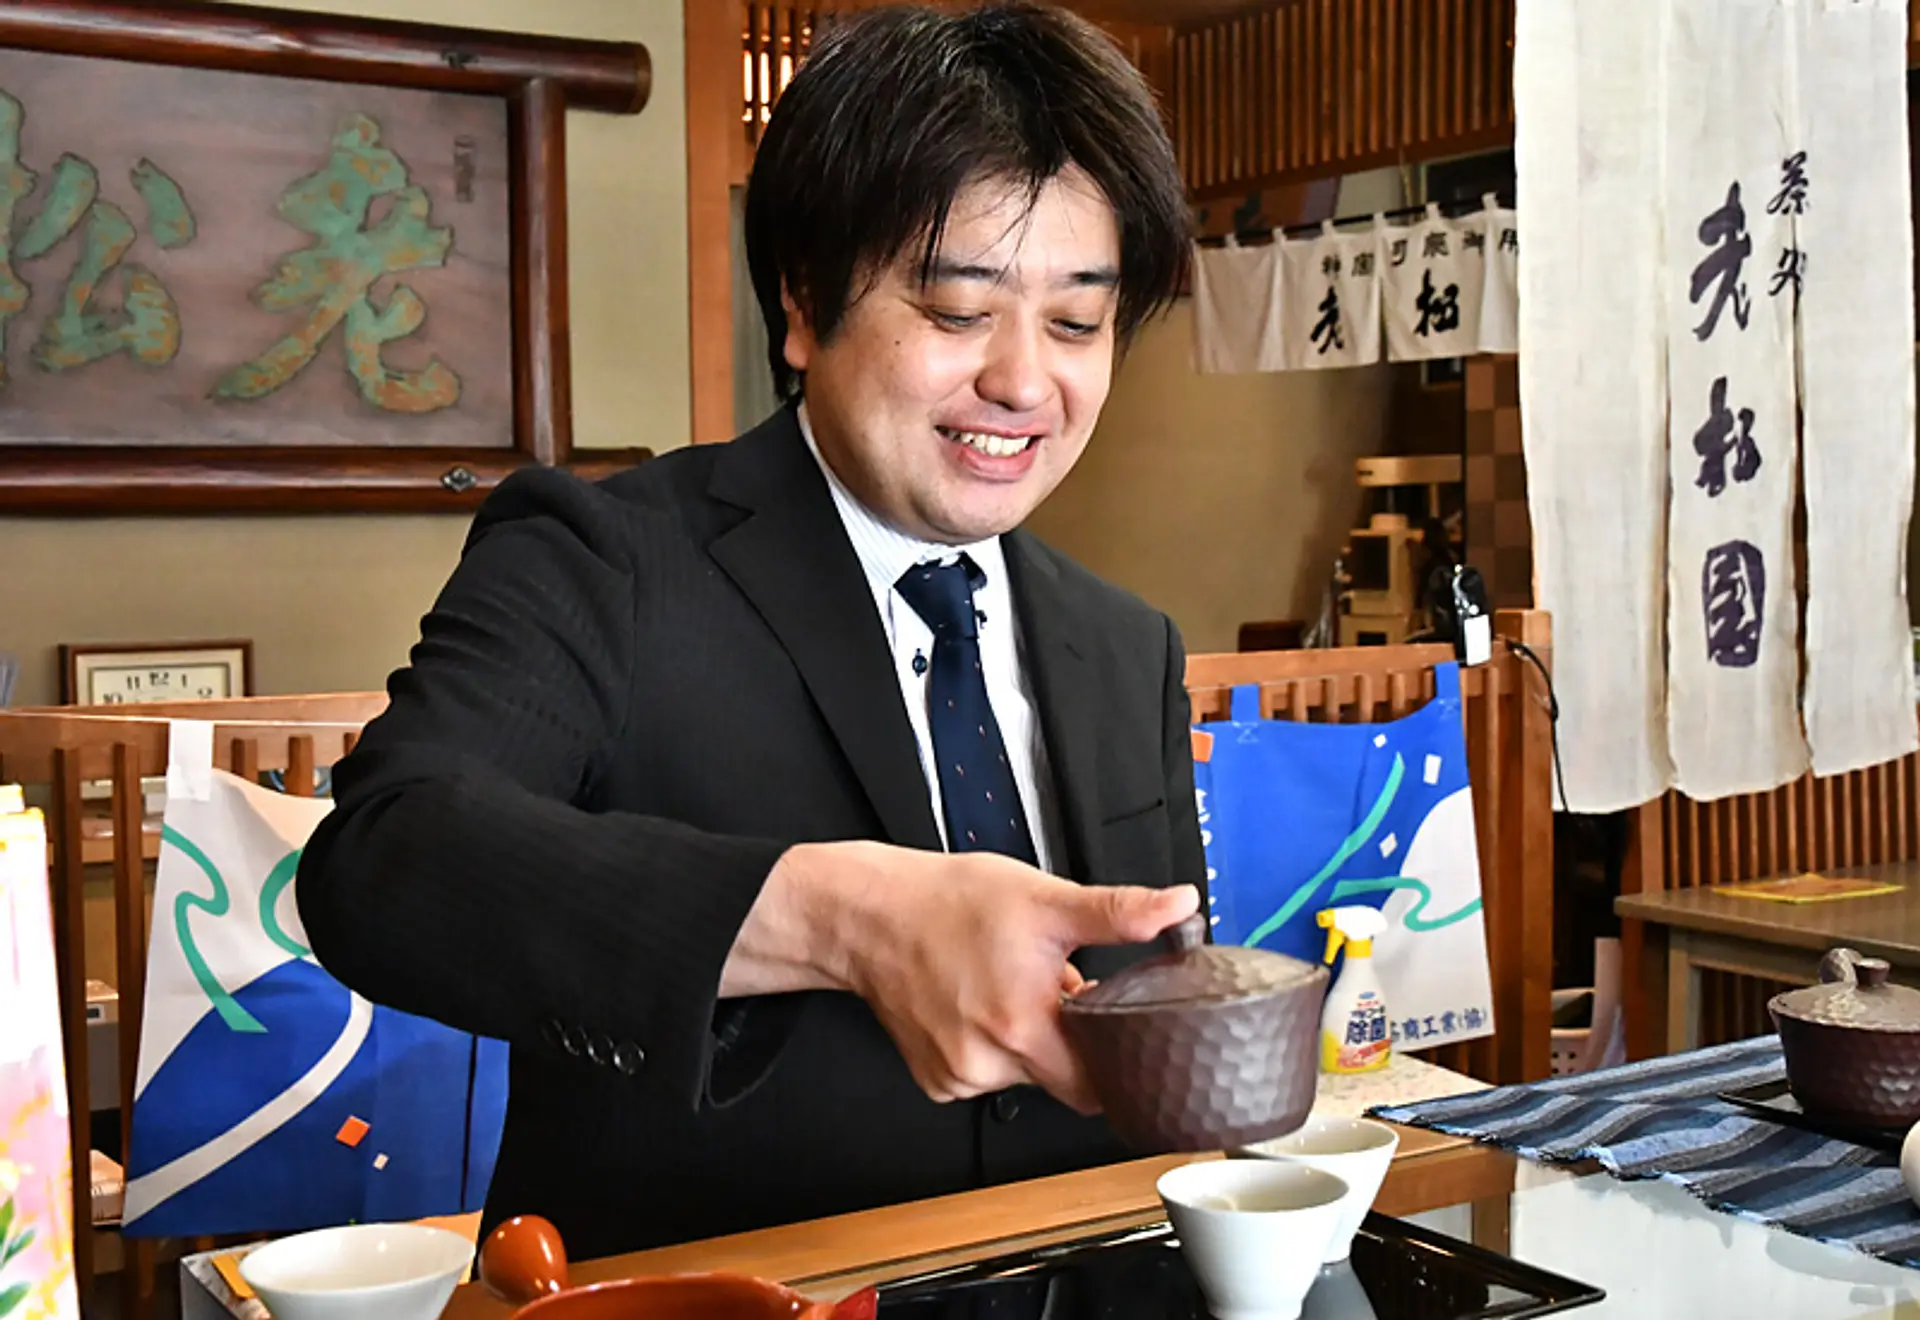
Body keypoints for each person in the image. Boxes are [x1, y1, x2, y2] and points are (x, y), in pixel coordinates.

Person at [296, 0, 1204, 1261]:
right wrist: (843, 915)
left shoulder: (1126, 644)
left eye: (1076, 322)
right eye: (957, 309)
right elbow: (385, 861)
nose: (1022, 380)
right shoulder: (603, 557)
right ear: (804, 303)